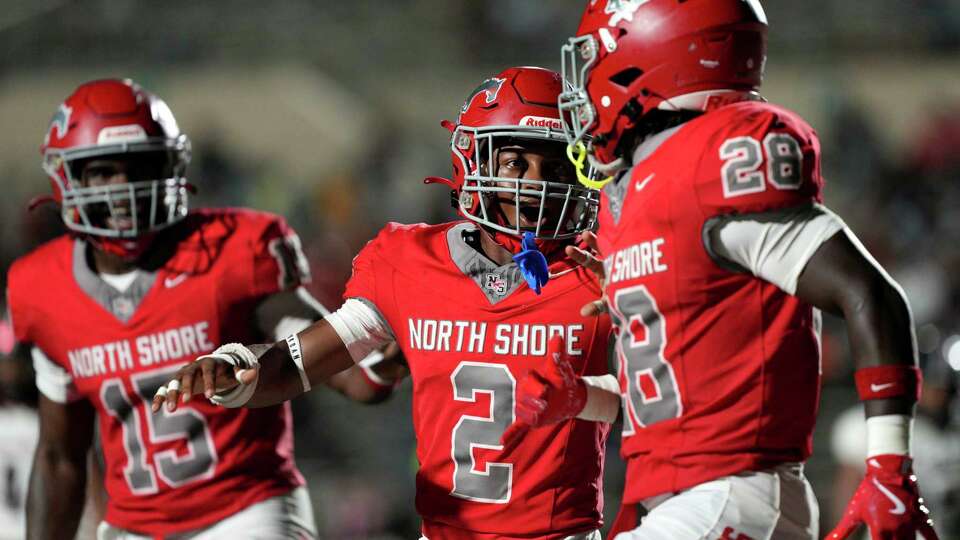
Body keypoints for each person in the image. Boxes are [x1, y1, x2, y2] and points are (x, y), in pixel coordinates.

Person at [499, 1, 939, 539]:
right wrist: (580, 396)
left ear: (646, 55)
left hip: (733, 492)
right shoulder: (636, 192)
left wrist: (889, 467)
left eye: (594, 63)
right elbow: (677, 389)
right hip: (680, 500)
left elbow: (868, 292)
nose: (584, 89)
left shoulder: (715, 158)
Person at [153, 66, 619, 540]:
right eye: (516, 162)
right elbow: (301, 364)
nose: (536, 184)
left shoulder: (602, 270)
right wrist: (236, 369)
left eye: (556, 167)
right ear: (474, 161)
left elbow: (666, 401)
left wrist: (582, 397)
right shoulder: (408, 261)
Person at [6, 78, 386, 539]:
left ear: (171, 167)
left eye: (139, 168)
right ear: (67, 178)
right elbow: (59, 457)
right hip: (134, 526)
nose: (123, 190)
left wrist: (377, 359)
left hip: (245, 510)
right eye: (104, 172)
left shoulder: (235, 248)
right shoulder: (42, 287)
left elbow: (332, 358)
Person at [832, 353, 960, 538]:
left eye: (946, 387)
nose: (940, 394)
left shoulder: (951, 431)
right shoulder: (873, 428)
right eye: (934, 384)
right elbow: (848, 494)